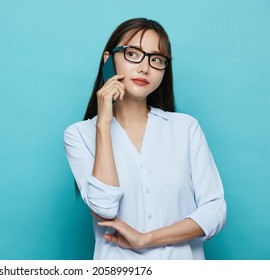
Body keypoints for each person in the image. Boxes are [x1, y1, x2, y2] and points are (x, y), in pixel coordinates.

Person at [63, 18, 226, 260]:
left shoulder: (185, 128)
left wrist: (147, 238)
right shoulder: (79, 135)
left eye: (156, 59)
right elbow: (104, 208)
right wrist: (104, 125)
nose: (144, 68)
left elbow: (215, 211)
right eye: (133, 54)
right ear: (108, 60)